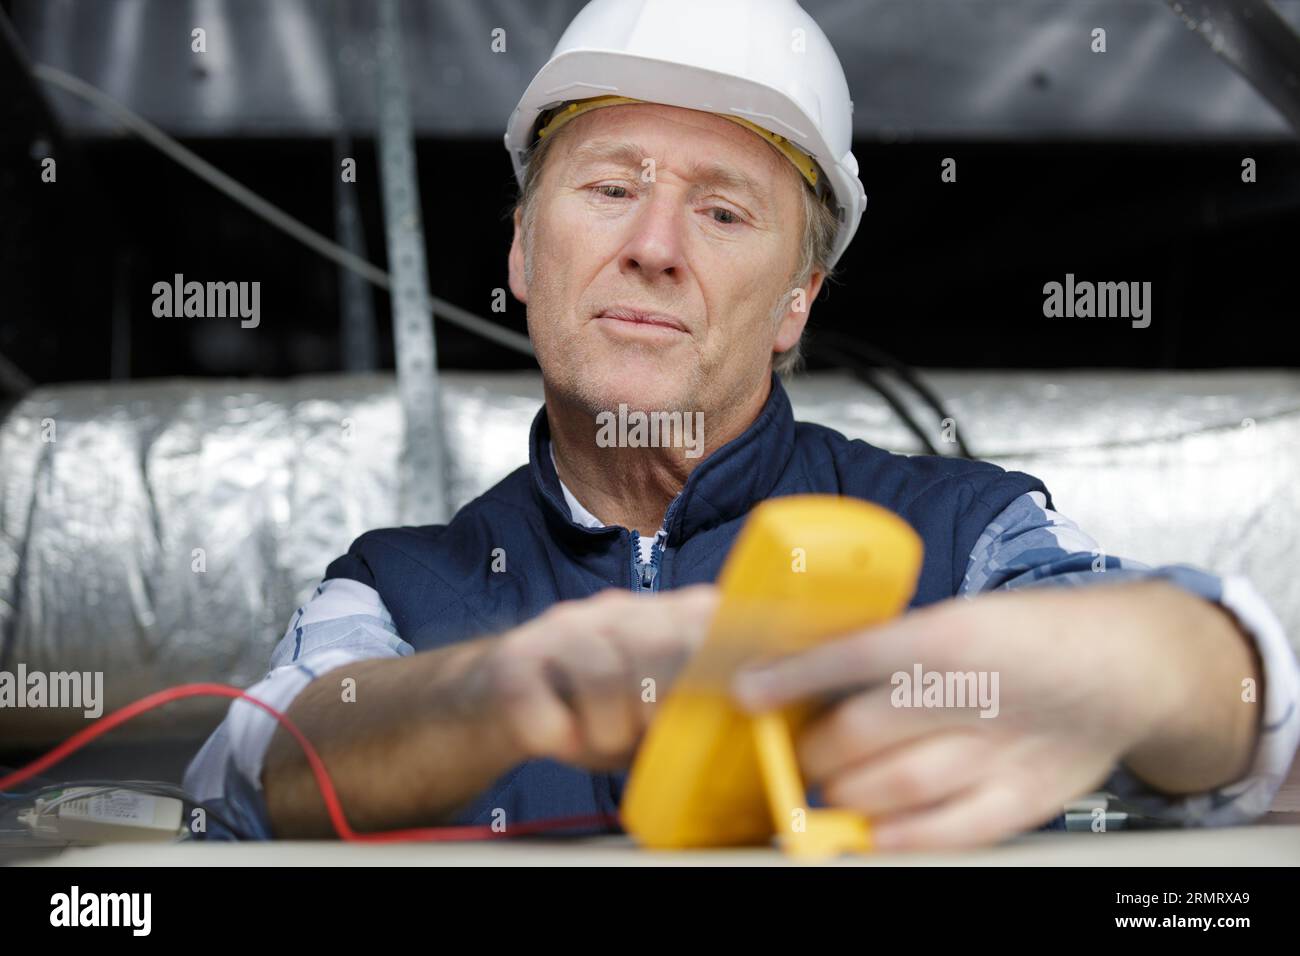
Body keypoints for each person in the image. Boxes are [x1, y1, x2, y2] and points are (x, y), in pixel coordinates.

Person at [185, 0, 1298, 848]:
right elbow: (253, 766)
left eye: (721, 211)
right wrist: (494, 693)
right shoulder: (398, 588)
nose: (655, 244)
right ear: (523, 252)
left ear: (794, 302)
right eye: (611, 187)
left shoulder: (961, 535)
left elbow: (1237, 717)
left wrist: (1141, 660)